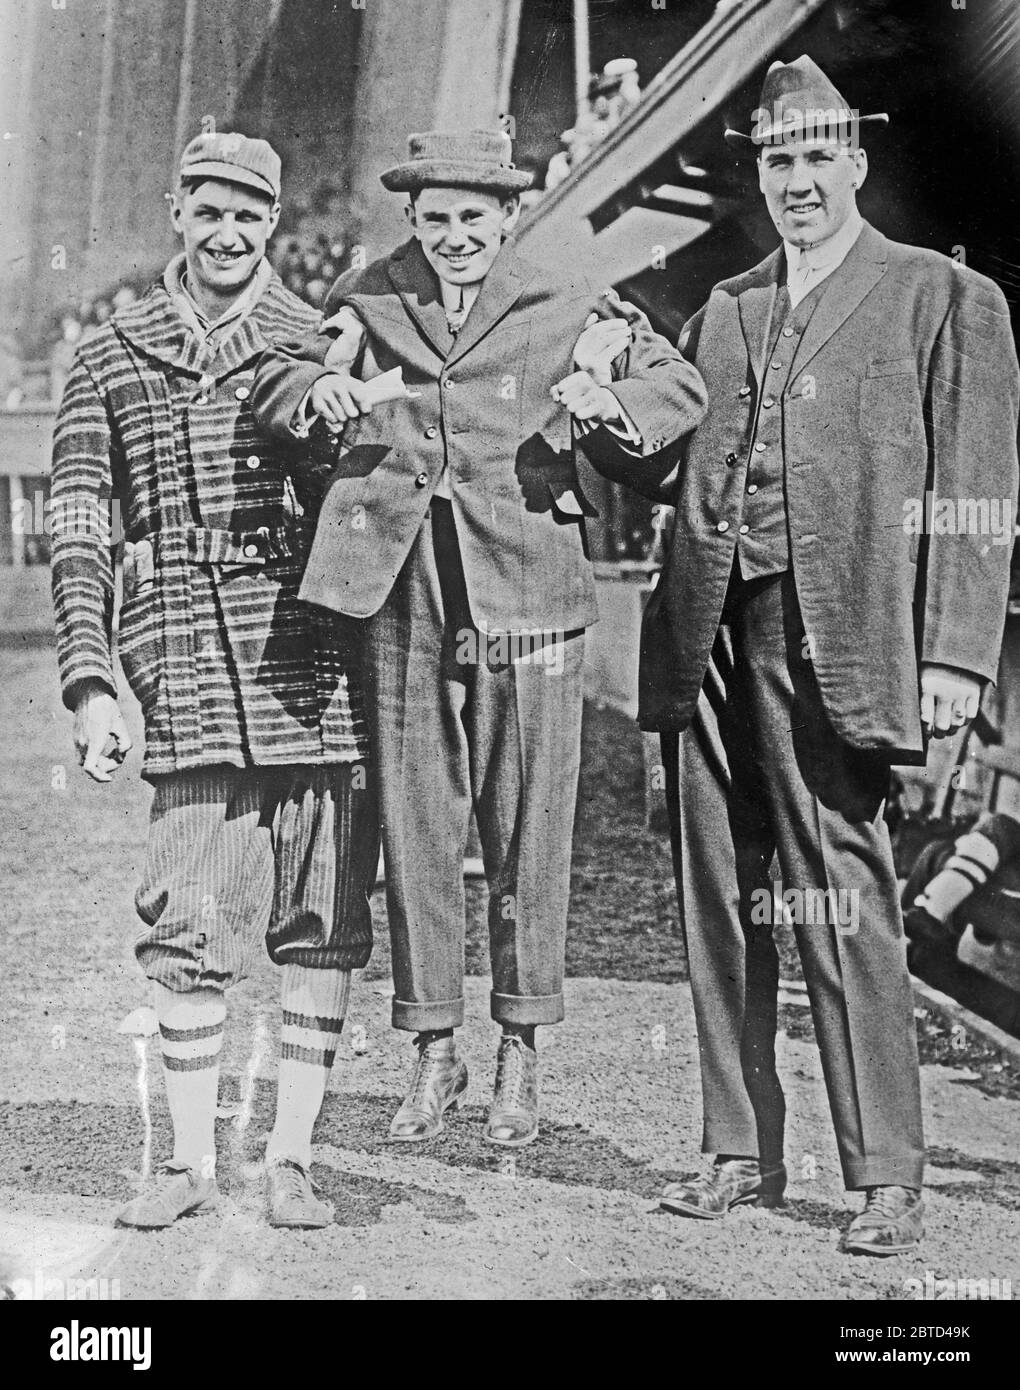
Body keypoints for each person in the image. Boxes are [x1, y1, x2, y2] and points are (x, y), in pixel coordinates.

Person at [583, 57, 1019, 1254]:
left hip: (838, 636)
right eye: (779, 159)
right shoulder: (724, 307)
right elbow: (668, 457)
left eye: (819, 156)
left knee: (841, 896)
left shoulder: (941, 297)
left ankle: (885, 1173)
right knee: (719, 894)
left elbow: (977, 496)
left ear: (858, 165)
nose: (798, 179)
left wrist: (959, 658)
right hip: (707, 629)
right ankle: (738, 1149)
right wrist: (606, 409)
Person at [252, 128, 707, 1148]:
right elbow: (277, 381)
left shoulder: (566, 294)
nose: (455, 237)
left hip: (530, 587)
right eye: (436, 220)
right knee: (415, 818)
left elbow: (676, 385)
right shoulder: (369, 295)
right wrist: (317, 391)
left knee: (529, 826)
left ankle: (521, 1054)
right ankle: (432, 1050)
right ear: (414, 220)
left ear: (505, 217)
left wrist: (608, 400)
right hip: (398, 584)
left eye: (473, 219)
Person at [50, 132, 378, 1231]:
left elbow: (375, 511)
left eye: (250, 213)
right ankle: (188, 1160)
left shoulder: (321, 339)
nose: (229, 232)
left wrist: (343, 423)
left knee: (319, 920)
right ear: (175, 211)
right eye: (209, 209)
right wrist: (94, 681)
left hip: (313, 666)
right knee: (186, 917)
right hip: (182, 659)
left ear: (273, 221)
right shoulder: (112, 352)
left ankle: (290, 1156)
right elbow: (82, 528)